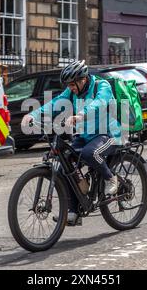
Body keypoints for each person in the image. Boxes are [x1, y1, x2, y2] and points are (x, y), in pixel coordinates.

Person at [22, 60, 121, 225]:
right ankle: (74, 210)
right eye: (68, 85)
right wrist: (34, 115)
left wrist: (81, 115)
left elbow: (100, 103)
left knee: (91, 153)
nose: (71, 88)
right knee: (63, 165)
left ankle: (110, 179)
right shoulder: (72, 92)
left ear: (82, 80)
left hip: (109, 133)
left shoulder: (101, 86)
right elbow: (55, 103)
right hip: (85, 135)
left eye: (72, 84)